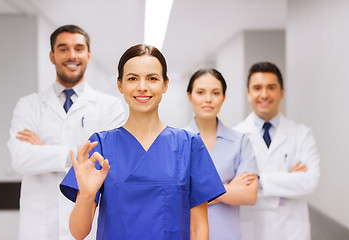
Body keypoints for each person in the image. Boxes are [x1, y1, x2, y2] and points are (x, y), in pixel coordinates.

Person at [59, 44, 226, 240]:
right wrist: (86, 195)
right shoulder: (100, 145)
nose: (142, 87)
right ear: (120, 85)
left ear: (165, 84)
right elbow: (78, 233)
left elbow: (198, 228)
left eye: (152, 78)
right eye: (132, 79)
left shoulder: (189, 146)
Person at [7, 25, 125, 240]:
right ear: (52, 56)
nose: (72, 55)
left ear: (88, 55)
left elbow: (110, 160)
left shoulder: (110, 106)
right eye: (63, 49)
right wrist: (79, 155)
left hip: (89, 224)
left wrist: (43, 151)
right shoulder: (29, 105)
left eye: (78, 48)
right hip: (40, 226)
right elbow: (20, 158)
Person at [234, 62, 320, 240]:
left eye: (271, 87)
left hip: (291, 230)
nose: (264, 94)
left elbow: (310, 181)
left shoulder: (302, 134)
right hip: (251, 228)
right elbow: (234, 187)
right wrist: (288, 179)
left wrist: (258, 180)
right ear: (248, 93)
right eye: (257, 88)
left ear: (282, 92)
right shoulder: (235, 135)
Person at [184, 68, 258, 240]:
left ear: (223, 97)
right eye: (200, 92)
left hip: (228, 234)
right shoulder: (177, 142)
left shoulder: (240, 141)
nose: (208, 99)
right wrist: (229, 189)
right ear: (189, 96)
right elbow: (174, 196)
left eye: (215, 93)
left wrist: (199, 193)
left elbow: (250, 195)